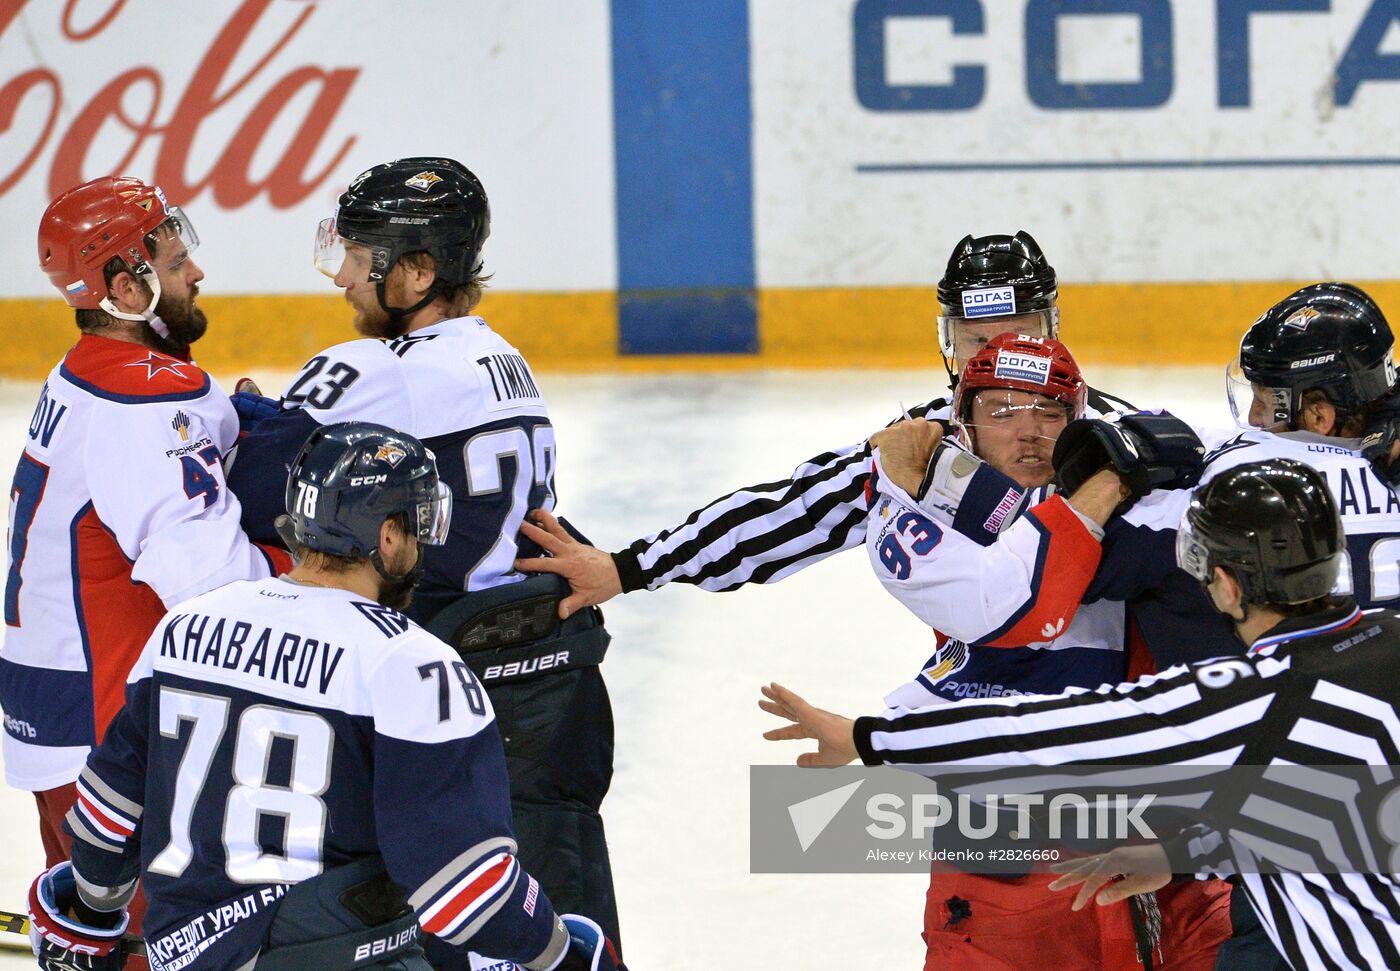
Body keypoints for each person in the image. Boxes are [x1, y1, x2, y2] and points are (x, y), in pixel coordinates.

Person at [25, 422, 623, 971]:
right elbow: (465, 895)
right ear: (388, 537)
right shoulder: (411, 662)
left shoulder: (184, 627)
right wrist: (564, 956)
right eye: (417, 526)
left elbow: (108, 816)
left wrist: (94, 908)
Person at [761, 456, 1399, 971]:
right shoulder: (1386, 638)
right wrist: (1183, 854)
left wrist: (869, 739)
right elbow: (1342, 813)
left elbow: (1045, 737)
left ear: (1226, 584)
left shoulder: (1249, 698)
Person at [222, 157, 620, 957]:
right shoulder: (499, 354)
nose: (343, 279)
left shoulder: (382, 369)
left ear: (416, 271)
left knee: (457, 914)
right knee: (553, 920)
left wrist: (259, 411)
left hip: (470, 685)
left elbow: (256, 472)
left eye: (361, 259)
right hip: (547, 679)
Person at [848, 333, 1228, 969]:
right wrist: (1109, 483)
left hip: (1153, 833)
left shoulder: (1134, 502)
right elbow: (1020, 601)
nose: (1028, 434)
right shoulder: (913, 514)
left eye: (1049, 413)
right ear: (962, 421)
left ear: (1079, 423)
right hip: (1000, 845)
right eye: (1000, 411)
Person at [515, 231, 1133, 620]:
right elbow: (791, 512)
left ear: (1051, 330)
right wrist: (629, 568)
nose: (995, 358)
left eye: (1015, 336)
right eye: (974, 340)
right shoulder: (917, 444)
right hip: (981, 692)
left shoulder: (1121, 437)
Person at [0, 177, 292, 945]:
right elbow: (219, 594)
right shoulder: (147, 402)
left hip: (49, 716)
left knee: (103, 940)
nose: (195, 272)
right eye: (175, 257)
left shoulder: (83, 372)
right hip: (109, 734)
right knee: (163, 948)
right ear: (128, 287)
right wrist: (314, 563)